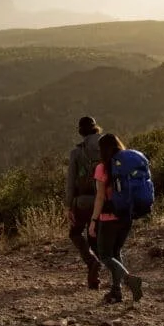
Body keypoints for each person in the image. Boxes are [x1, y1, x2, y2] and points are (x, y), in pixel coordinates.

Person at [89, 133, 144, 303]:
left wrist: (93, 221)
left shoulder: (102, 168)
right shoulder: (127, 165)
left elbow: (100, 197)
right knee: (116, 253)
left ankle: (129, 279)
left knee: (105, 256)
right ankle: (116, 291)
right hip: (126, 216)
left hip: (108, 218)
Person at [66, 116, 103, 289]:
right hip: (105, 201)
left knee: (75, 233)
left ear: (81, 131)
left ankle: (92, 263)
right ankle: (99, 275)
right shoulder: (108, 146)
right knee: (94, 236)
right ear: (96, 129)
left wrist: (68, 206)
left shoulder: (77, 152)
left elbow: (71, 182)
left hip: (83, 202)